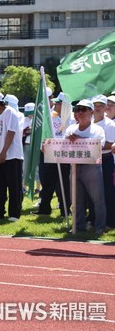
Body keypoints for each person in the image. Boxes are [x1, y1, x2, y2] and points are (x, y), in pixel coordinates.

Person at [65, 99, 106, 234]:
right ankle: (78, 226)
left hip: (92, 167)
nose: (80, 113)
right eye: (77, 110)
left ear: (91, 112)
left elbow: (98, 145)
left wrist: (79, 140)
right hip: (74, 167)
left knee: (97, 199)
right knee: (76, 200)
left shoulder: (97, 129)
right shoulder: (71, 129)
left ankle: (100, 226)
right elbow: (62, 145)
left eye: (83, 109)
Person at [0, 91, 24, 221]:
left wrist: (4, 152)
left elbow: (11, 133)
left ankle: (14, 214)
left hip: (12, 155)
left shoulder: (10, 113)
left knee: (14, 186)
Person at [91, 95, 115, 228]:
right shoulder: (89, 122)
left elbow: (109, 145)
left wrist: (92, 145)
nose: (97, 108)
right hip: (92, 159)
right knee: (93, 193)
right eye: (95, 105)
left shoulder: (110, 124)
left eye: (101, 105)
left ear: (105, 108)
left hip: (105, 159)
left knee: (107, 191)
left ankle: (110, 221)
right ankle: (93, 219)